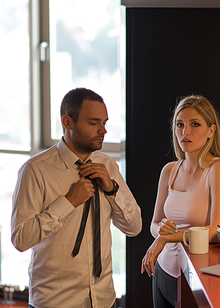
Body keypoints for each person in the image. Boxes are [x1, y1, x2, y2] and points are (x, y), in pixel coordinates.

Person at [11, 88, 142, 308]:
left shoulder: (108, 166)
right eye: (94, 123)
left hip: (103, 298)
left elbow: (134, 227)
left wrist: (111, 189)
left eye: (104, 122)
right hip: (56, 301)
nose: (103, 131)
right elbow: (21, 239)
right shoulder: (35, 170)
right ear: (68, 122)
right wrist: (68, 202)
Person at [141, 95, 220, 308]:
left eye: (195, 124)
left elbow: (219, 229)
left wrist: (166, 238)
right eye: (180, 125)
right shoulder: (169, 171)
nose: (186, 132)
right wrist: (161, 232)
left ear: (211, 130)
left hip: (194, 275)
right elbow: (154, 225)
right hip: (162, 270)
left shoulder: (218, 168)